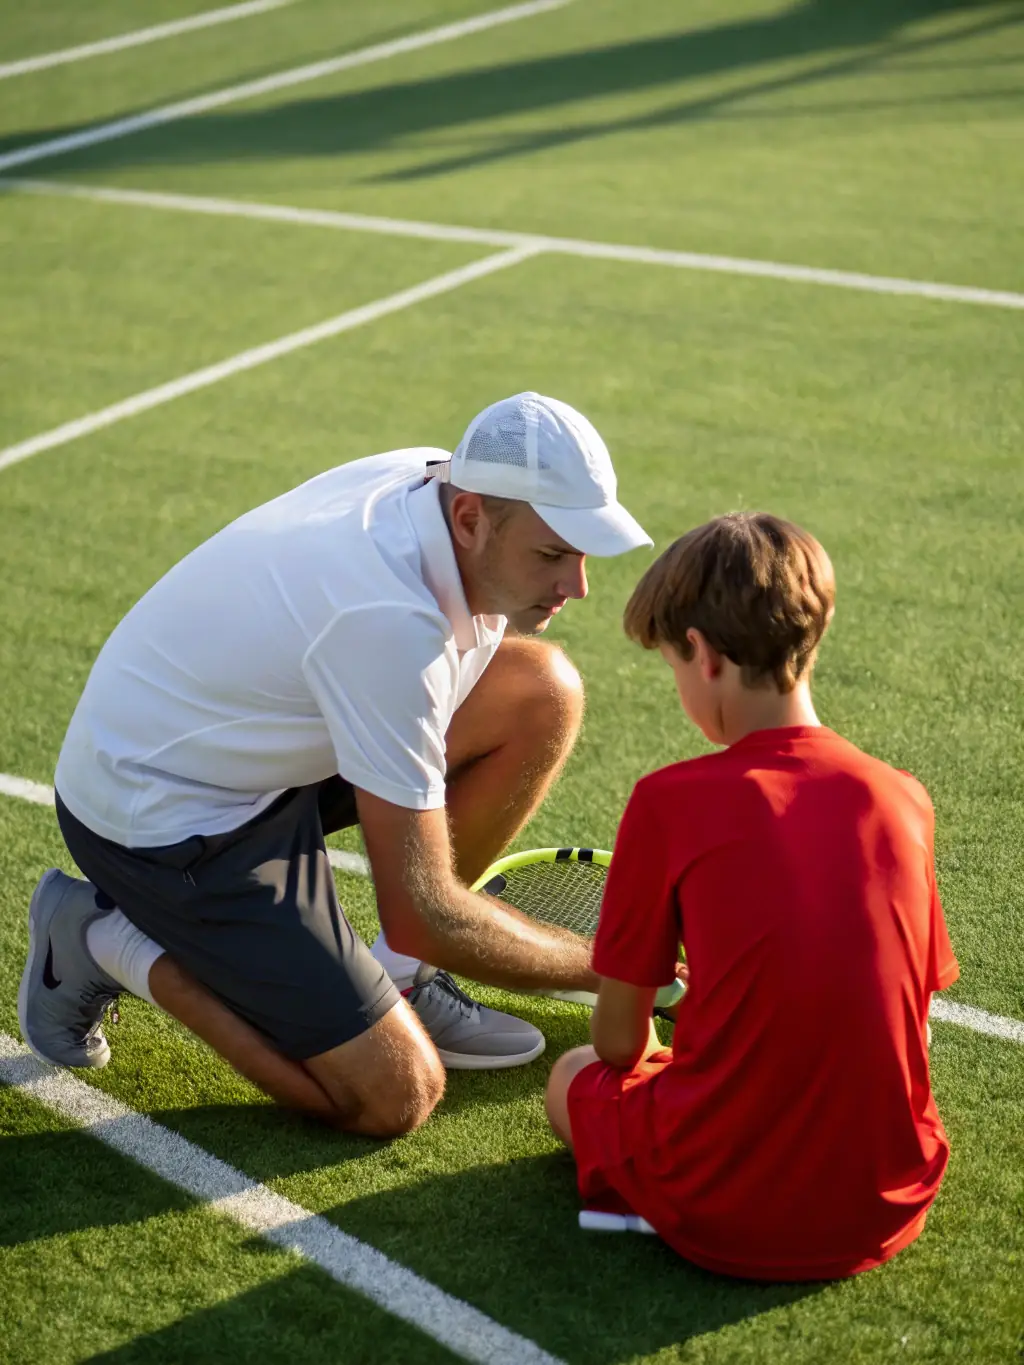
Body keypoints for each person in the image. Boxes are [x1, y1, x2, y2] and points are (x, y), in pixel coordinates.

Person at [19, 392, 653, 1137]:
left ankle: (402, 983)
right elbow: (427, 911)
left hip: (261, 745)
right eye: (552, 554)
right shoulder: (387, 620)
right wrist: (620, 965)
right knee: (394, 1095)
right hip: (161, 813)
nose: (576, 585)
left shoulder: (435, 482)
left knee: (539, 690)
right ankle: (101, 937)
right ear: (471, 517)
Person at [545, 512, 959, 1280]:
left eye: (671, 663)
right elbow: (918, 1035)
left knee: (571, 1076)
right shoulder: (904, 796)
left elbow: (616, 1046)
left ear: (701, 654)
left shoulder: (668, 801)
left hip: (725, 1202)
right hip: (888, 1193)